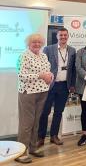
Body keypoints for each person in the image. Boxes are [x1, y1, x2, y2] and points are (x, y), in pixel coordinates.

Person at [16, 33, 53, 163]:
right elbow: (22, 75)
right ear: (29, 44)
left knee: (36, 121)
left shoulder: (43, 55)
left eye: (39, 42)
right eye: (34, 42)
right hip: (28, 93)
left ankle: (32, 148)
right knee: (26, 124)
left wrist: (50, 77)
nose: (37, 44)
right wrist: (41, 76)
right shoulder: (24, 55)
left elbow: (48, 71)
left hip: (42, 91)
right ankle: (21, 152)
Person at [38, 27, 76, 147]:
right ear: (57, 36)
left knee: (59, 112)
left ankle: (54, 136)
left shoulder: (73, 50)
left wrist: (72, 85)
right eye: (61, 35)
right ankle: (41, 137)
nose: (63, 37)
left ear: (68, 36)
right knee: (45, 112)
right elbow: (42, 66)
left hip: (64, 86)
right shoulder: (48, 49)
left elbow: (73, 70)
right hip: (50, 85)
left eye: (65, 35)